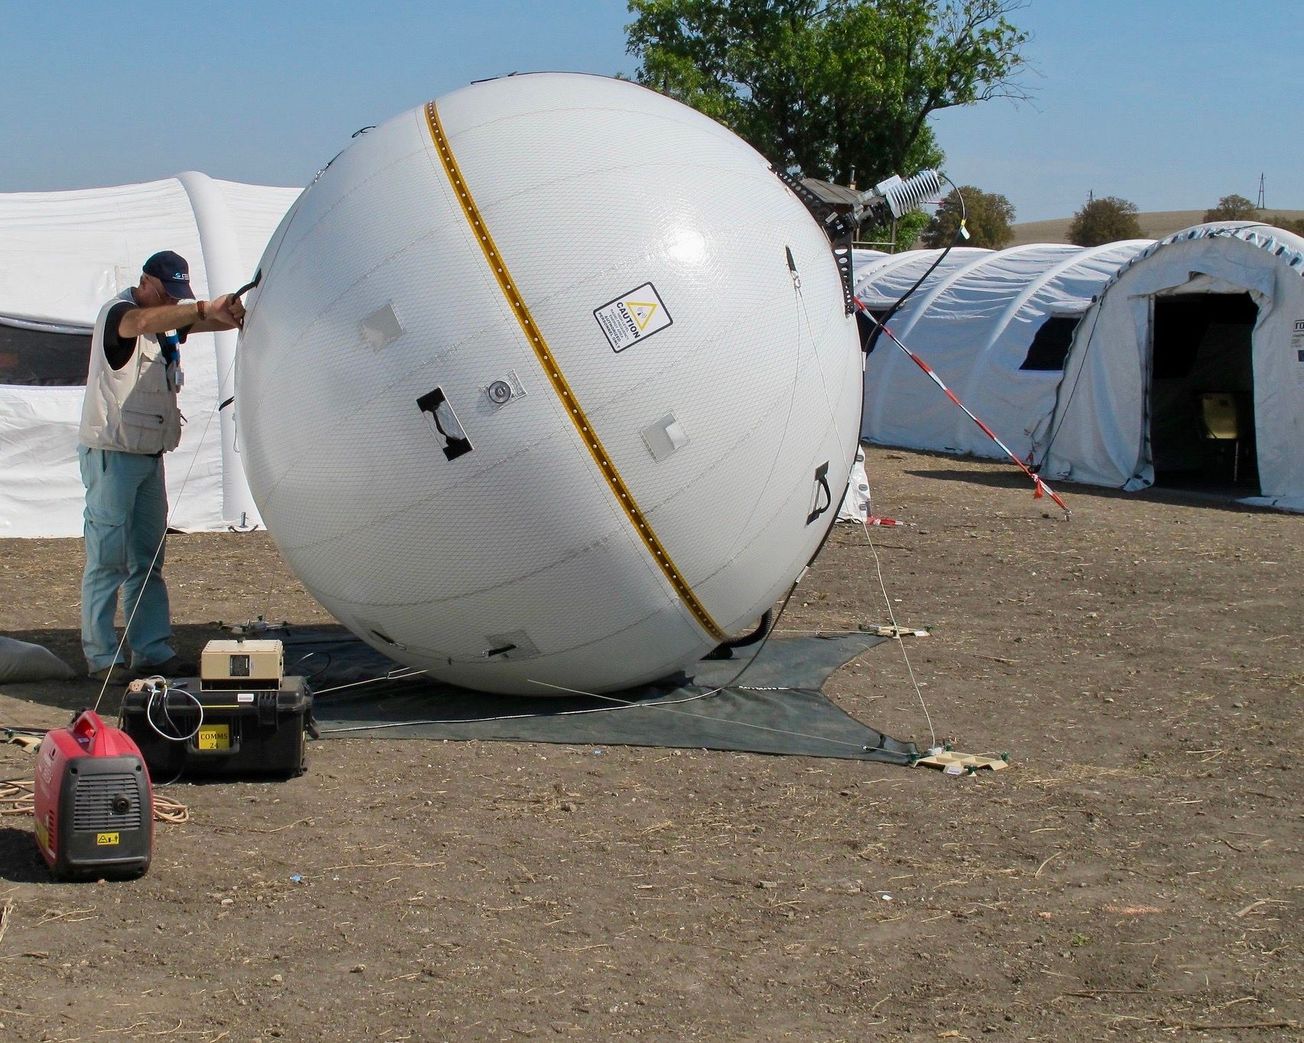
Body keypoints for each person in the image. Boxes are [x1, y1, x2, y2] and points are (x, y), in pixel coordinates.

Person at [80, 251, 245, 682]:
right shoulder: (122, 314)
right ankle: (101, 656)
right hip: (112, 457)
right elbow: (140, 323)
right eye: (166, 293)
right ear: (145, 283)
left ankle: (150, 650)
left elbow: (206, 322)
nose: (170, 302)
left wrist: (230, 311)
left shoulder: (164, 322)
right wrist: (204, 308)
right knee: (107, 561)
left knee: (147, 559)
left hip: (148, 458)